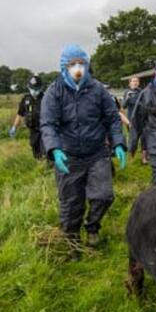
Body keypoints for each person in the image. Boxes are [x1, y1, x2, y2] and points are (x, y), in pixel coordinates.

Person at [40, 44, 127, 252]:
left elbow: (112, 118)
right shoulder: (54, 92)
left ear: (87, 66)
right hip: (68, 155)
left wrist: (118, 143)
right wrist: (54, 149)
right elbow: (48, 124)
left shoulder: (98, 90)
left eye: (82, 63)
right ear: (64, 67)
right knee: (71, 203)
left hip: (96, 153)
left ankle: (92, 226)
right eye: (73, 64)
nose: (78, 68)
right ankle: (72, 241)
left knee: (104, 195)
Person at [9, 75, 46, 159]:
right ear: (28, 87)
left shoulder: (46, 98)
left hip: (44, 130)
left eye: (36, 89)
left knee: (45, 150)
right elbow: (20, 114)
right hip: (33, 130)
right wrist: (14, 127)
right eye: (32, 88)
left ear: (41, 88)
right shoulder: (26, 99)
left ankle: (47, 166)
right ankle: (39, 166)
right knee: (35, 150)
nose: (34, 91)